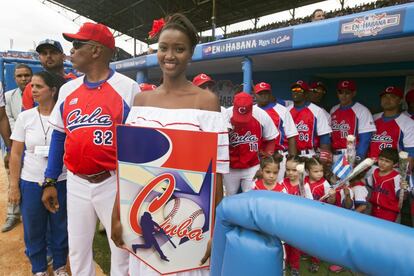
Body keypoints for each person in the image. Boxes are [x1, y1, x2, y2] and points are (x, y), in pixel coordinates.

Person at [110, 13, 229, 276]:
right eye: (164, 48)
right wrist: (117, 213)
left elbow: (216, 172)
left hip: (188, 222)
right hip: (142, 215)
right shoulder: (141, 101)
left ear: (191, 53)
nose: (170, 55)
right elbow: (127, 168)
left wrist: (214, 228)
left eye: (179, 49)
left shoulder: (206, 102)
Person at [41, 22, 138, 275]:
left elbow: (137, 148)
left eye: (77, 45)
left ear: (96, 51)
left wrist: (129, 190)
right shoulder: (67, 89)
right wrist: (50, 179)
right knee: (78, 248)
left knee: (121, 249)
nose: (71, 52)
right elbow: (59, 137)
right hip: (76, 183)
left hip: (113, 181)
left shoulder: (128, 88)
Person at [8, 71, 68, 276]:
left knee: (60, 227)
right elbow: (15, 154)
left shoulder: (65, 117)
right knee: (34, 228)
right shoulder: (25, 117)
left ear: (52, 90)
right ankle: (39, 268)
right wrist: (14, 186)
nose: (32, 90)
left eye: (38, 86)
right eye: (31, 86)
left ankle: (59, 265)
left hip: (61, 180)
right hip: (31, 181)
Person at [225, 92, 278, 195]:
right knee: (229, 197)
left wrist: (263, 165)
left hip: (253, 165)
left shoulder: (261, 114)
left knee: (252, 197)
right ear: (233, 104)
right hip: (230, 166)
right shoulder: (226, 115)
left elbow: (271, 139)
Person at [2, 63, 32, 232]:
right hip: (15, 143)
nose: (23, 79)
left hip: (35, 146)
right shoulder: (8, 95)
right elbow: (10, 119)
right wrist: (12, 146)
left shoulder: (39, 91)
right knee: (13, 179)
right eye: (20, 76)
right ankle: (13, 214)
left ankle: (30, 215)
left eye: (26, 75)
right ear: (14, 78)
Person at [254, 82, 298, 182]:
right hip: (257, 157)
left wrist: (292, 161)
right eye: (261, 93)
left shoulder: (282, 110)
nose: (264, 96)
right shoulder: (252, 110)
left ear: (270, 94)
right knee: (258, 189)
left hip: (279, 156)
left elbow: (291, 135)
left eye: (266, 93)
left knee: (279, 189)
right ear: (255, 95)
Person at [22, 39, 76, 110]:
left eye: (53, 52)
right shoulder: (31, 87)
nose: (48, 56)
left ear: (63, 57)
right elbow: (27, 117)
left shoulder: (75, 81)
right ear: (39, 58)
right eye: (44, 53)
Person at [330, 80, 376, 163]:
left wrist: (358, 158)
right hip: (334, 154)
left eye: (347, 92)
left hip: (351, 154)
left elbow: (365, 139)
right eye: (341, 92)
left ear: (353, 93)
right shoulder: (333, 109)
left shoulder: (362, 110)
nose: (343, 95)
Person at [303, 157, 335, 273]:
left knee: (316, 239)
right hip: (306, 215)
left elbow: (331, 202)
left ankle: (316, 261)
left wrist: (332, 196)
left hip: (320, 216)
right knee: (307, 236)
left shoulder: (325, 183)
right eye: (316, 171)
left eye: (321, 171)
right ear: (307, 171)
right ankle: (307, 252)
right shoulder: (304, 180)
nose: (319, 174)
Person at [369, 86, 414, 164]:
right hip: (369, 166)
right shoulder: (372, 118)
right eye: (384, 97)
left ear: (400, 101)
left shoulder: (408, 123)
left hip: (393, 169)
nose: (387, 99)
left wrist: (404, 174)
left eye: (392, 97)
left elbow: (410, 153)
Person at [287, 80, 332, 158]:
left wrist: (325, 157)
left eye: (300, 90)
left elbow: (324, 137)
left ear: (306, 93)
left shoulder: (317, 111)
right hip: (289, 154)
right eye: (294, 90)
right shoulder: (286, 111)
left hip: (309, 154)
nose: (296, 92)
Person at [366, 148, 404, 222]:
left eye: (387, 161)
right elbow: (366, 183)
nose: (382, 163)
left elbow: (402, 195)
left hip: (389, 213)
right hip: (374, 210)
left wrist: (404, 189)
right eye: (381, 159)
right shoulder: (375, 172)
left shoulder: (397, 177)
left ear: (395, 164)